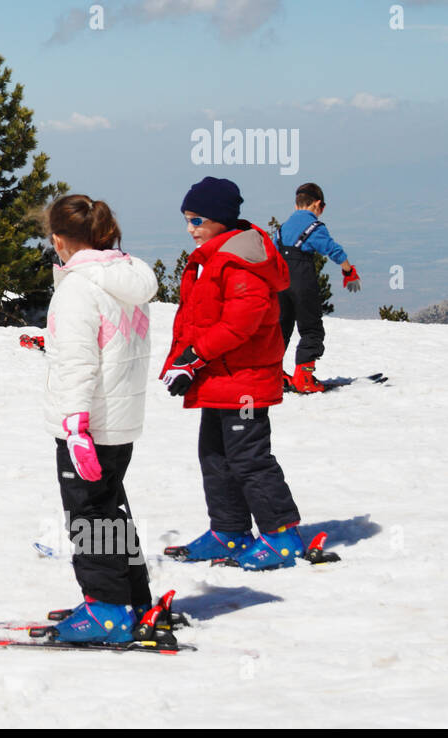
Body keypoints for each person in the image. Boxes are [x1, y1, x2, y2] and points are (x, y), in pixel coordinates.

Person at [161, 177, 307, 570]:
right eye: (187, 219)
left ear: (222, 220)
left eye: (197, 219)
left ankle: (282, 536)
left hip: (245, 382)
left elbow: (239, 324)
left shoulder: (240, 262)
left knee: (250, 459)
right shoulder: (215, 256)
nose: (190, 228)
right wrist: (180, 363)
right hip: (222, 378)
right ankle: (229, 531)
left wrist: (195, 357)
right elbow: (197, 319)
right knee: (215, 456)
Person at [42, 195, 158, 643]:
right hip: (120, 418)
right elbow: (111, 346)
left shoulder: (78, 286)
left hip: (88, 424)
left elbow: (79, 363)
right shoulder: (123, 278)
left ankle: (107, 609)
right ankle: (132, 598)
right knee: (110, 509)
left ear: (59, 240)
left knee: (89, 515)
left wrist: (75, 425)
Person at [274, 182, 360, 393]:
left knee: (280, 328)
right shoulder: (314, 227)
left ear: (296, 205)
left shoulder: (282, 229)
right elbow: (333, 250)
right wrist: (349, 272)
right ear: (318, 205)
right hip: (302, 280)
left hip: (279, 282)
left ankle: (273, 375)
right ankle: (303, 377)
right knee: (311, 327)